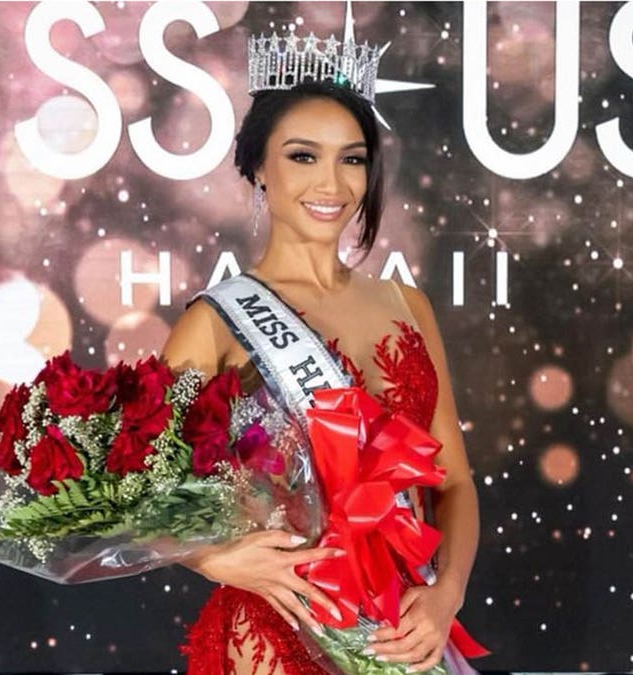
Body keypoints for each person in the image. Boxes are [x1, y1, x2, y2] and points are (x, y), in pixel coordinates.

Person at [160, 70, 482, 674]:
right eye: (303, 156)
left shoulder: (407, 306)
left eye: (352, 160)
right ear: (258, 168)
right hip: (284, 625)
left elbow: (454, 483)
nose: (331, 183)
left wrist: (447, 595)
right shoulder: (216, 321)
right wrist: (214, 559)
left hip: (404, 622)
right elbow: (138, 484)